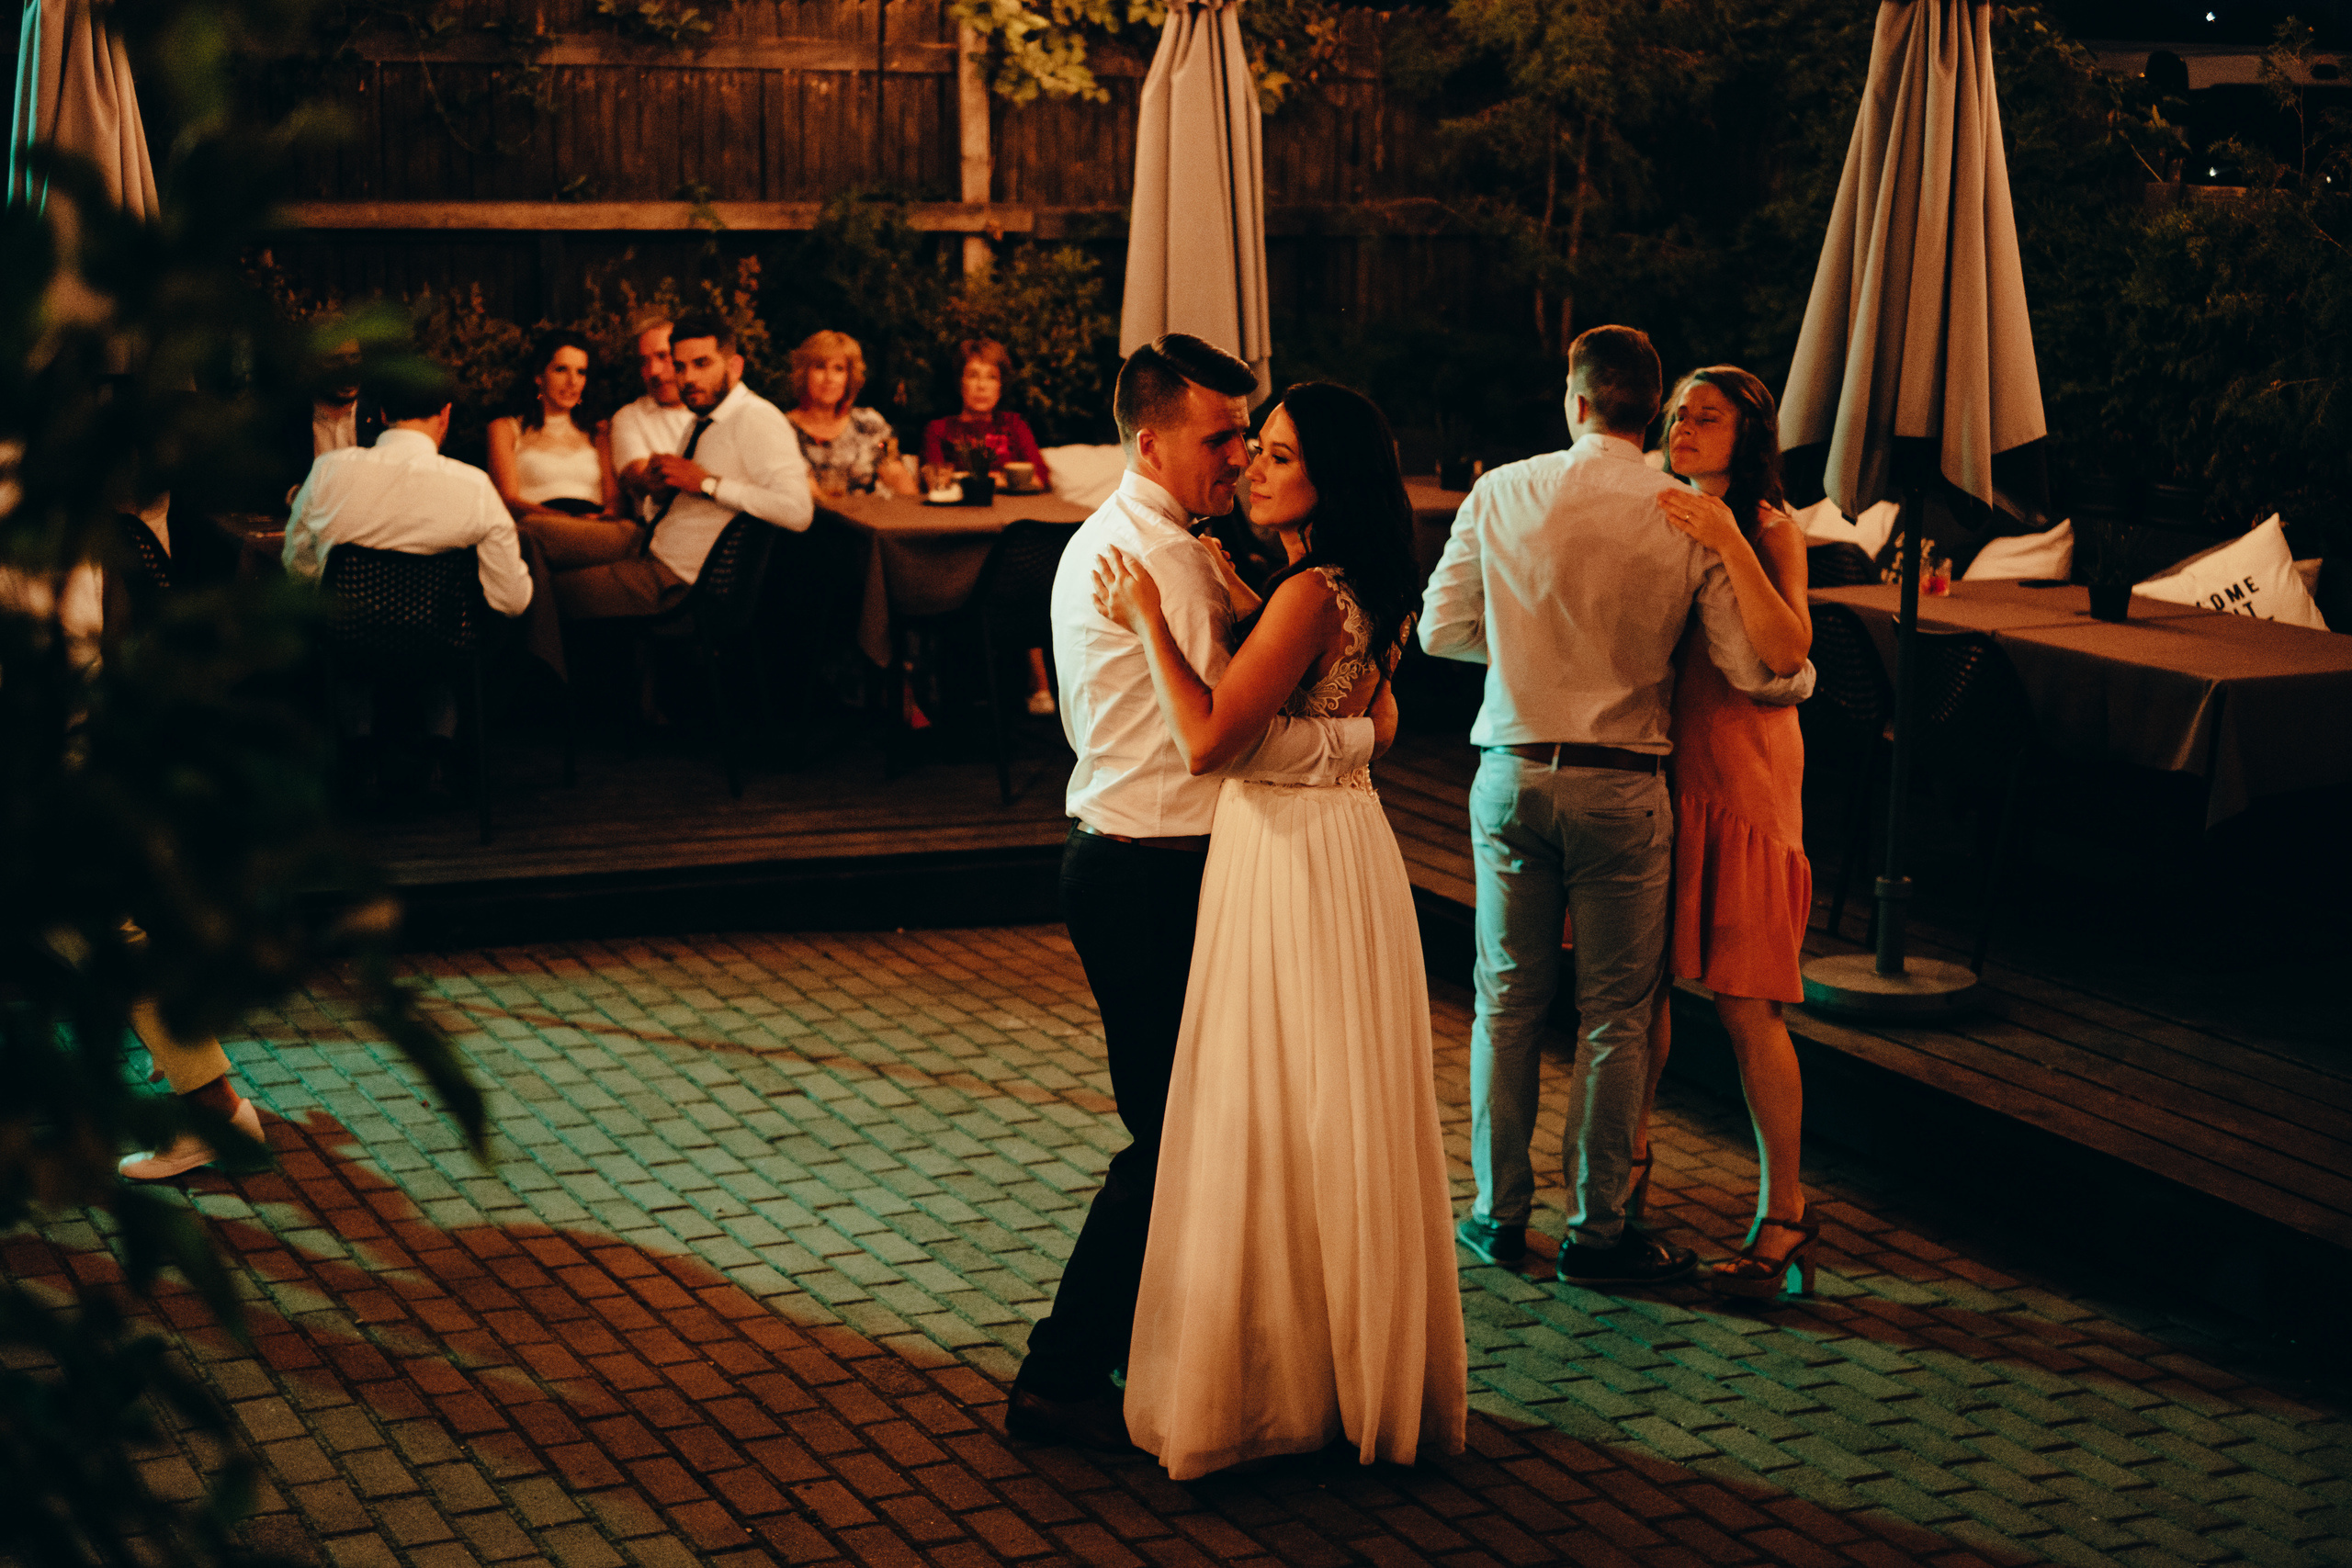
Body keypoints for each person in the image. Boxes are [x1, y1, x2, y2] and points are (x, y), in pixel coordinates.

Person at [1010, 334, 1385, 1453]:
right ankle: (1061, 1369)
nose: (1235, 456)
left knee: (1200, 1129)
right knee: (1175, 1135)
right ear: (1151, 437)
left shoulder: (1134, 541)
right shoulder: (1164, 562)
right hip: (1153, 870)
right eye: (1222, 437)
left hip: (1131, 854)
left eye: (1248, 437)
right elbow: (1228, 733)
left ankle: (1168, 1353)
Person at [1096, 382, 1464, 1479]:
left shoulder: (1310, 594)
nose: (1252, 467)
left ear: (1329, 480)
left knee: (1269, 1106)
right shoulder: (1354, 589)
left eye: (1279, 456)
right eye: (1252, 449)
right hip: (1347, 852)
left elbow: (1206, 741)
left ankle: (1273, 1386)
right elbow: (1375, 722)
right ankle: (1344, 1373)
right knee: (1336, 1107)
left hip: (1287, 861)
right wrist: (1250, 606)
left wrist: (1153, 625)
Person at [1419, 324, 1813, 1290]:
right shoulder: (1680, 515)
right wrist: (1792, 688)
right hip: (1624, 788)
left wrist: (1526, 659)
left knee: (1504, 1004)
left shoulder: (1500, 489)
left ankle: (1495, 1217)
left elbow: (1439, 631)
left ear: (1576, 396)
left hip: (1510, 771)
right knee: (1616, 1018)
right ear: (1648, 411)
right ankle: (1596, 1233)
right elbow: (1747, 662)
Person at [1643, 367, 1817, 1296]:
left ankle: (1783, 1213)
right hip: (1666, 770)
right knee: (1647, 988)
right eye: (1676, 414)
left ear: (1746, 433)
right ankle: (1623, 1185)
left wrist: (1728, 538)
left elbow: (1787, 647)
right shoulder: (1656, 506)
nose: (1683, 427)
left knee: (1748, 1006)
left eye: (1704, 418)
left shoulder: (1771, 525)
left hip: (1744, 779)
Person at [282, 360, 533, 794]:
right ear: (446, 415)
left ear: (379, 415)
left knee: (344, 644)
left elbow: (298, 571)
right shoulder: (474, 487)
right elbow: (512, 600)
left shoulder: (328, 472)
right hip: (441, 643)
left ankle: (359, 756)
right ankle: (441, 751)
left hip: (350, 639)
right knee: (472, 635)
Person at [549, 312, 812, 620]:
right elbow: (676, 496)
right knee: (529, 538)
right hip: (653, 550)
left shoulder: (756, 419)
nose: (687, 379)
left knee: (546, 593)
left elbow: (798, 511)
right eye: (681, 366)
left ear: (734, 367)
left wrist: (707, 484)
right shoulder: (703, 418)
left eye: (702, 364)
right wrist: (661, 492)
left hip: (679, 585)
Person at [923, 338, 1058, 713]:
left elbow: (1040, 477)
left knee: (1024, 568)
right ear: (960, 383)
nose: (982, 385)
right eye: (973, 376)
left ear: (1001, 385)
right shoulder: (940, 428)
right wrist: (998, 478)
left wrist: (981, 478)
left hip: (1011, 535)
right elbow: (935, 477)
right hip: (959, 536)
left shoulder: (1014, 425)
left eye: (991, 377)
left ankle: (1039, 681)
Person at [488, 330, 624, 542]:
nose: (573, 381)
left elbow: (614, 501)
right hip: (538, 527)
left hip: (595, 529)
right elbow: (508, 500)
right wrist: (566, 520)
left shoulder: (598, 431)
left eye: (581, 372)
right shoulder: (506, 428)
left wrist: (604, 518)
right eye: (561, 370)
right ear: (539, 376)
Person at [786, 330, 916, 499]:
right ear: (804, 374)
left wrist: (920, 513)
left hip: (868, 521)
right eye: (820, 367)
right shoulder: (783, 429)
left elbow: (894, 471)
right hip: (809, 522)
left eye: (839, 369)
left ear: (849, 377)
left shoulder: (869, 424)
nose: (829, 378)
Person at [609, 317, 698, 522]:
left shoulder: (712, 411)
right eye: (644, 362)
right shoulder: (630, 417)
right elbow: (640, 481)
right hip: (662, 527)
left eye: (662, 356)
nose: (653, 371)